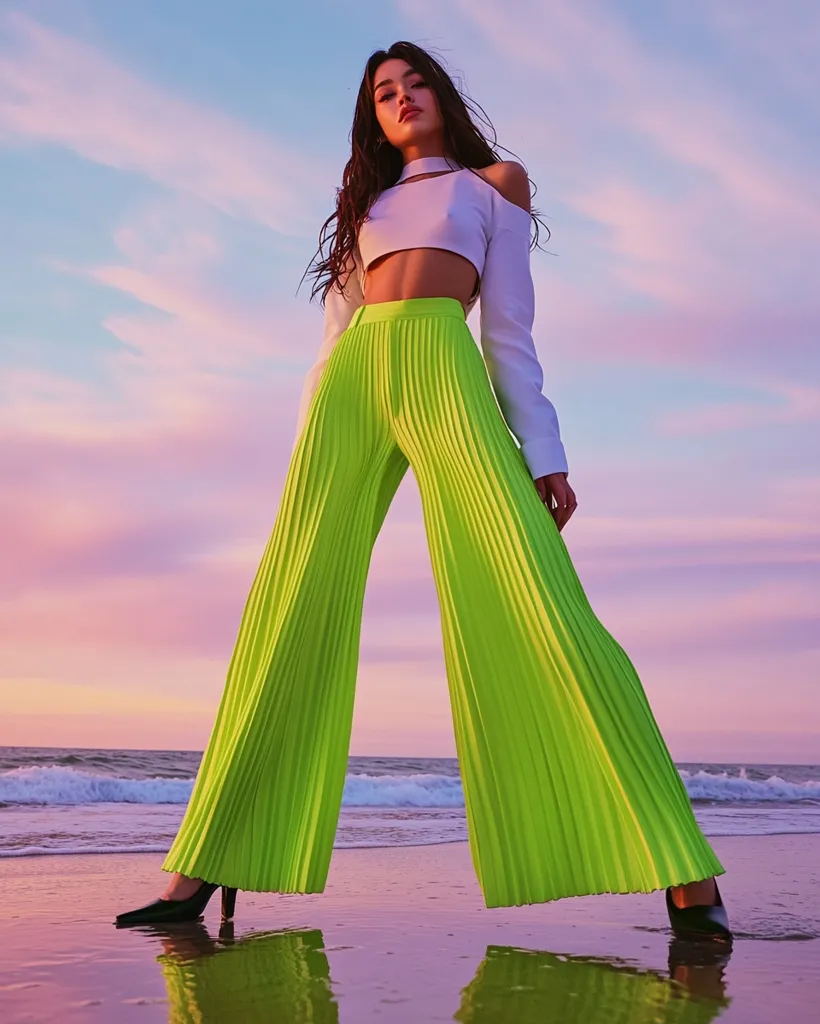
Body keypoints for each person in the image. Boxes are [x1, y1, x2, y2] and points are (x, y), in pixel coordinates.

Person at [116, 41, 732, 944]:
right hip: (351, 390)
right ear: (372, 117)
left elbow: (510, 332)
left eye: (413, 85)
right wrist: (306, 455)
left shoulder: (494, 184)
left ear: (442, 97)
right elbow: (335, 340)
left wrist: (544, 449)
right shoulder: (364, 206)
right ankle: (202, 864)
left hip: (446, 366)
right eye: (383, 93)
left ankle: (682, 868)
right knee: (287, 606)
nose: (400, 99)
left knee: (541, 601)